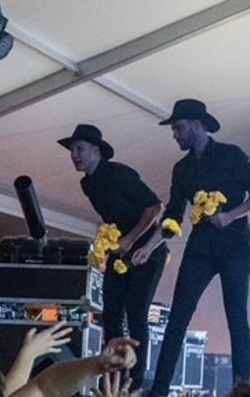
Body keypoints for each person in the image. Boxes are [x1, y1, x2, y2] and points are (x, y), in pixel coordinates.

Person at [147, 99, 250, 396]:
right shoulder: (182, 169)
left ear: (197, 125)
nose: (174, 134)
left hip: (235, 243)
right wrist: (149, 246)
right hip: (201, 245)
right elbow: (173, 216)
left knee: (236, 318)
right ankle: (159, 390)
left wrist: (230, 216)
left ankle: (243, 391)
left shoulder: (231, 155)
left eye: (178, 128)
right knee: (178, 317)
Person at [59, 124, 167, 390]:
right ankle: (114, 374)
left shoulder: (119, 174)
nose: (74, 155)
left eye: (80, 148)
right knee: (111, 312)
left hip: (147, 250)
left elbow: (154, 207)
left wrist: (131, 238)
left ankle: (135, 381)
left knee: (136, 312)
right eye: (72, 150)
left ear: (96, 151)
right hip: (120, 252)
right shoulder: (87, 184)